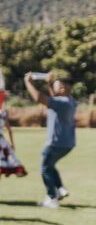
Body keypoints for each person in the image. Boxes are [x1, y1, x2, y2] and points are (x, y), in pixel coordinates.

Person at [25, 72, 77, 208]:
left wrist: (28, 82)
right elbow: (53, 98)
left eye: (55, 86)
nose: (53, 88)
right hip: (68, 143)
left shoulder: (61, 102)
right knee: (50, 165)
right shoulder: (70, 101)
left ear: (63, 88)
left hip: (55, 143)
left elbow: (38, 97)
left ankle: (52, 198)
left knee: (44, 169)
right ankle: (60, 189)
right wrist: (49, 84)